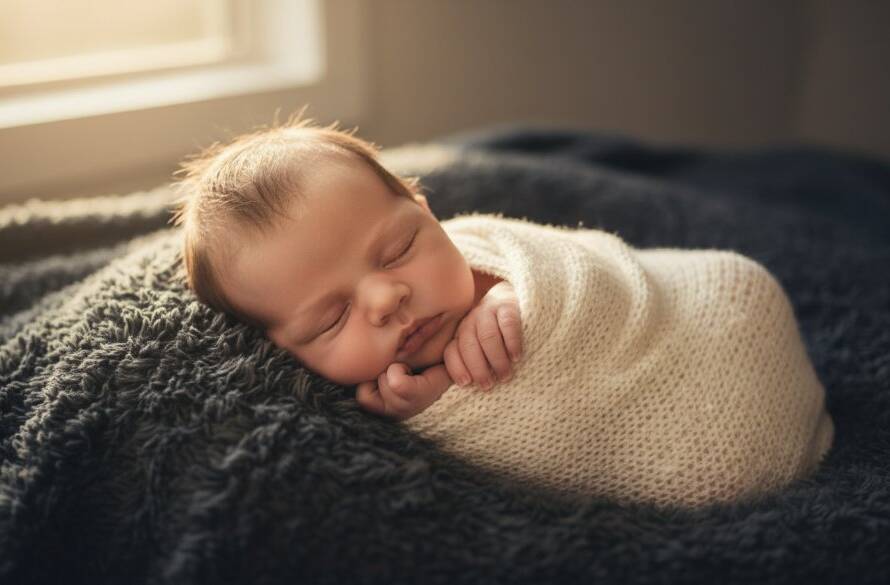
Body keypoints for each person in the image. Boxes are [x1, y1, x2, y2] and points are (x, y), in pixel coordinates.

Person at [171, 114, 834, 508]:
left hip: (707, 312)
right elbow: (539, 442)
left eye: (399, 248)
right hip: (696, 443)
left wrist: (513, 297)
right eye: (331, 319)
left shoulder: (486, 252)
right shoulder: (382, 403)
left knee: (743, 285)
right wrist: (441, 406)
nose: (385, 298)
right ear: (283, 348)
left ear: (425, 209)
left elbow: (585, 266)